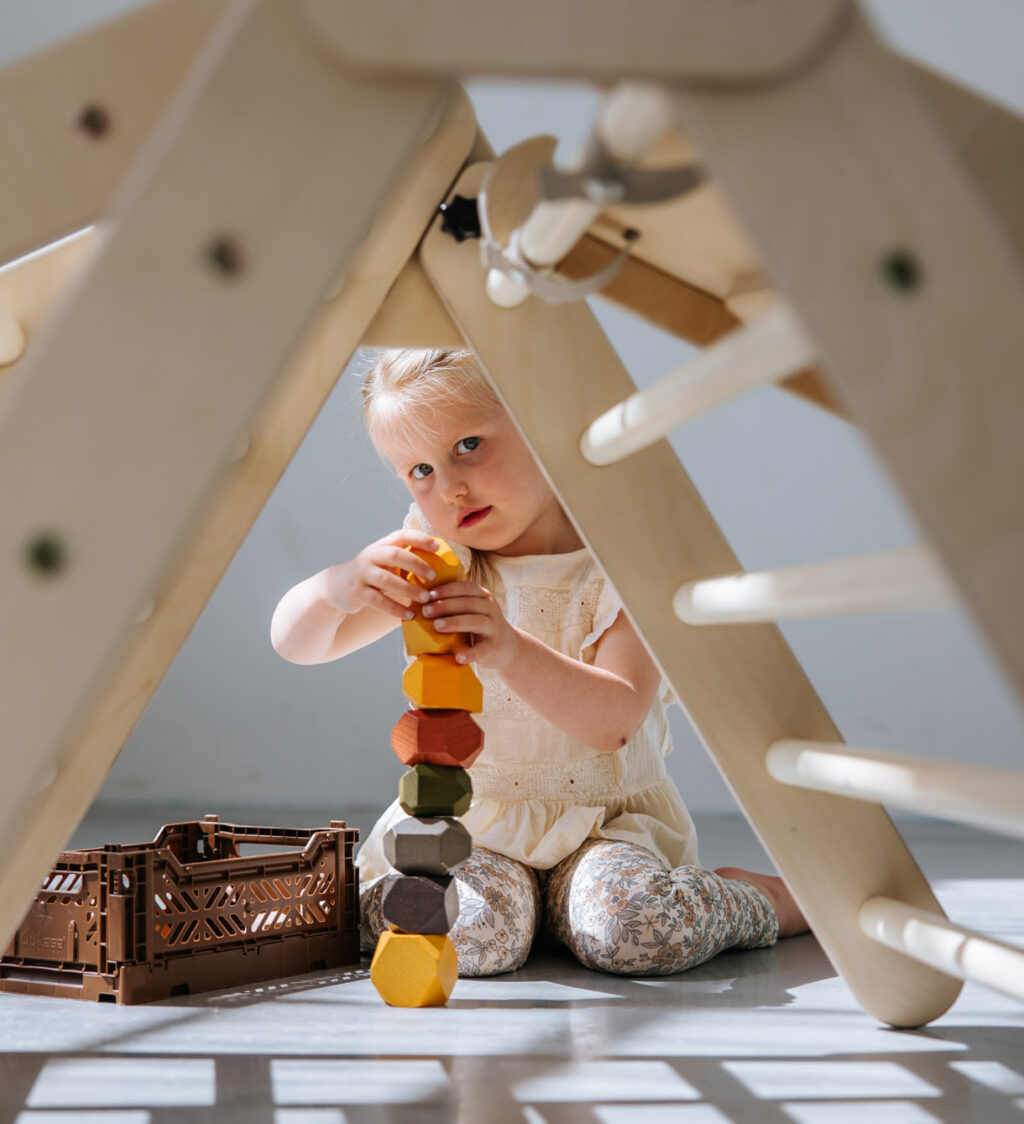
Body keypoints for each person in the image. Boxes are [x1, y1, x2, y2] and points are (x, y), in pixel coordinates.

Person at [271, 348, 808, 978]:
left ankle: (762, 899)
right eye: (419, 469)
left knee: (635, 931)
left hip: (604, 830)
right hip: (480, 823)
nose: (450, 487)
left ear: (541, 422)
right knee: (466, 937)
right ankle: (522, 914)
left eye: (468, 444)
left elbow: (616, 718)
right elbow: (297, 644)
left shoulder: (623, 564)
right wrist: (336, 587)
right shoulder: (442, 558)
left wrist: (511, 649)